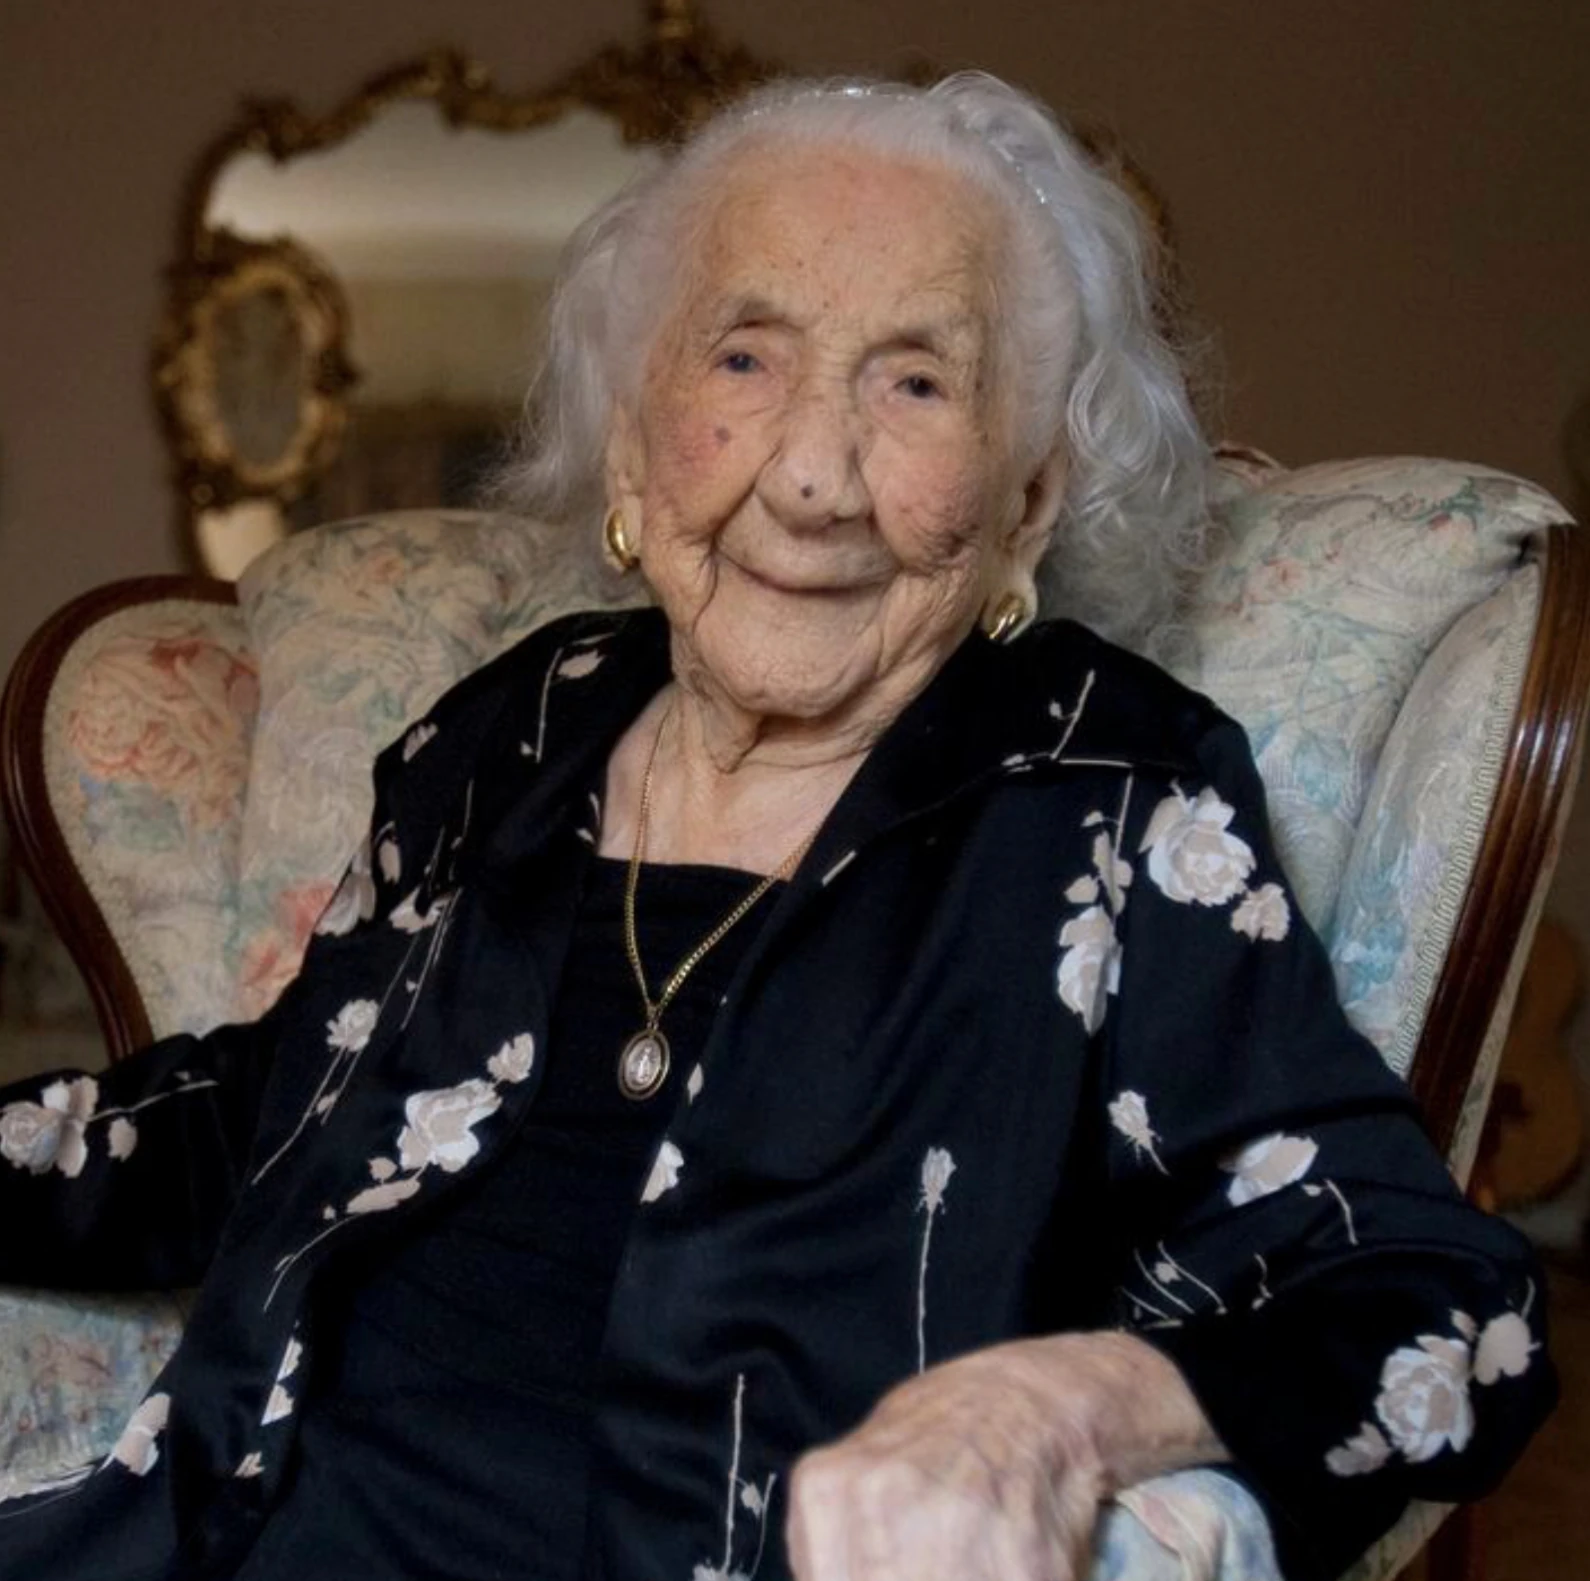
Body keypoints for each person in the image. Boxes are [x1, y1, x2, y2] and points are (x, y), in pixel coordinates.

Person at [0, 72, 1554, 1581]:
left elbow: (1434, 1309)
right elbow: (279, 1103)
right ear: (631, 438)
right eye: (744, 359)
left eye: (917, 382)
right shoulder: (515, 731)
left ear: (1024, 500)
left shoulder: (1110, 797)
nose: (812, 477)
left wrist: (1059, 1410)